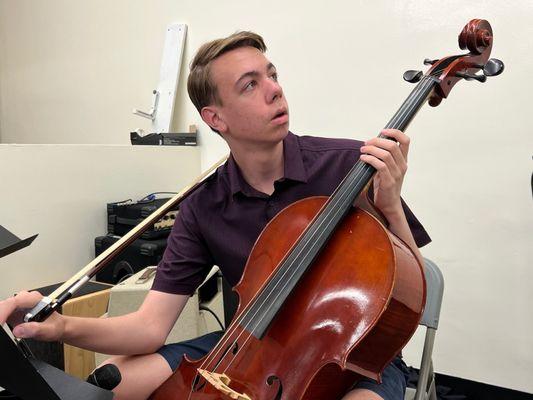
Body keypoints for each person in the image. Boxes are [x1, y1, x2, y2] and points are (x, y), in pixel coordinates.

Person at [0, 31, 430, 400]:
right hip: (249, 344)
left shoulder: (347, 166)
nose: (274, 89)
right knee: (115, 380)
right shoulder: (204, 203)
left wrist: (389, 202)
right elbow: (150, 327)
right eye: (250, 84)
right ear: (214, 118)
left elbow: (412, 287)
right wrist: (61, 327)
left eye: (272, 75)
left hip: (353, 354)